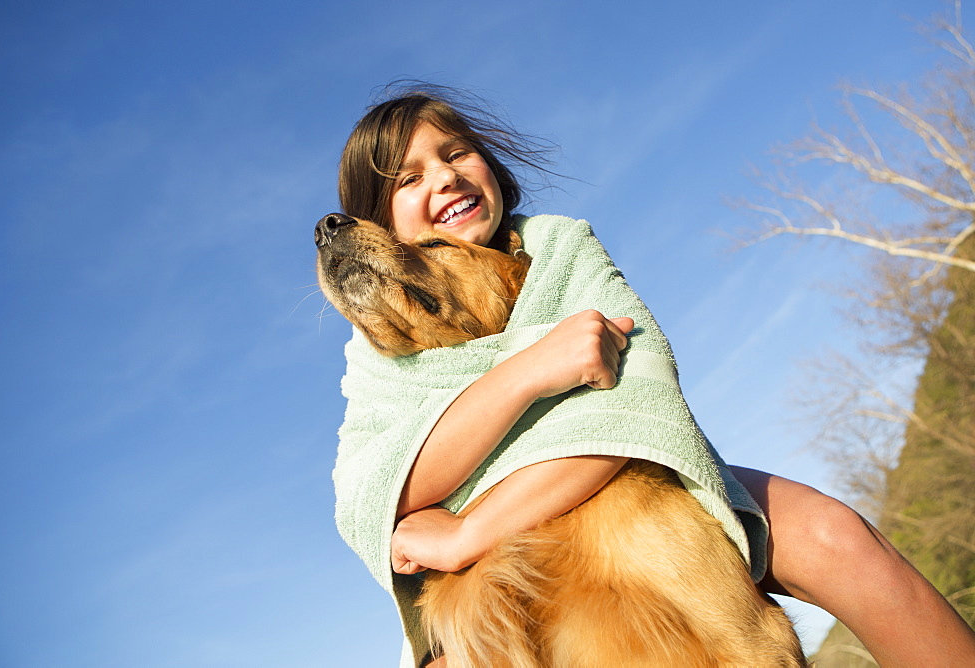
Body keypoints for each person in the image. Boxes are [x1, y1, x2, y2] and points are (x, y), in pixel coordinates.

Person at [334, 85, 975, 667]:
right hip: (477, 552)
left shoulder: (559, 251)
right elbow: (377, 493)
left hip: (629, 472)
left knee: (833, 536)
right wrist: (530, 372)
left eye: (457, 154)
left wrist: (472, 528)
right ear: (380, 227)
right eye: (410, 177)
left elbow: (641, 409)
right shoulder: (378, 357)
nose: (446, 178)